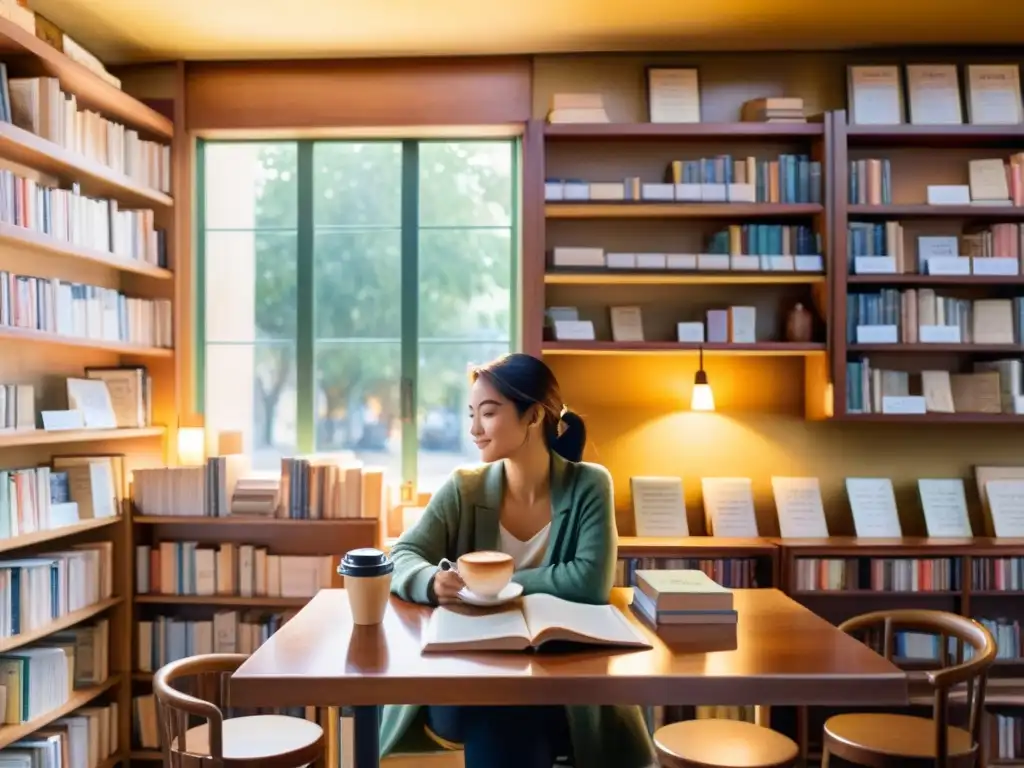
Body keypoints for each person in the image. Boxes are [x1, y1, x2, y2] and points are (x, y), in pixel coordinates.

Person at [379, 353, 657, 768]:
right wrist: (430, 581)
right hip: (465, 680)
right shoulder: (463, 488)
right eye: (472, 414)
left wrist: (492, 586)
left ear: (533, 416)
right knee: (507, 708)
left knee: (519, 709)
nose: (474, 430)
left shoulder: (589, 485)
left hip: (562, 682)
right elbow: (402, 554)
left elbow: (589, 582)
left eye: (488, 414)